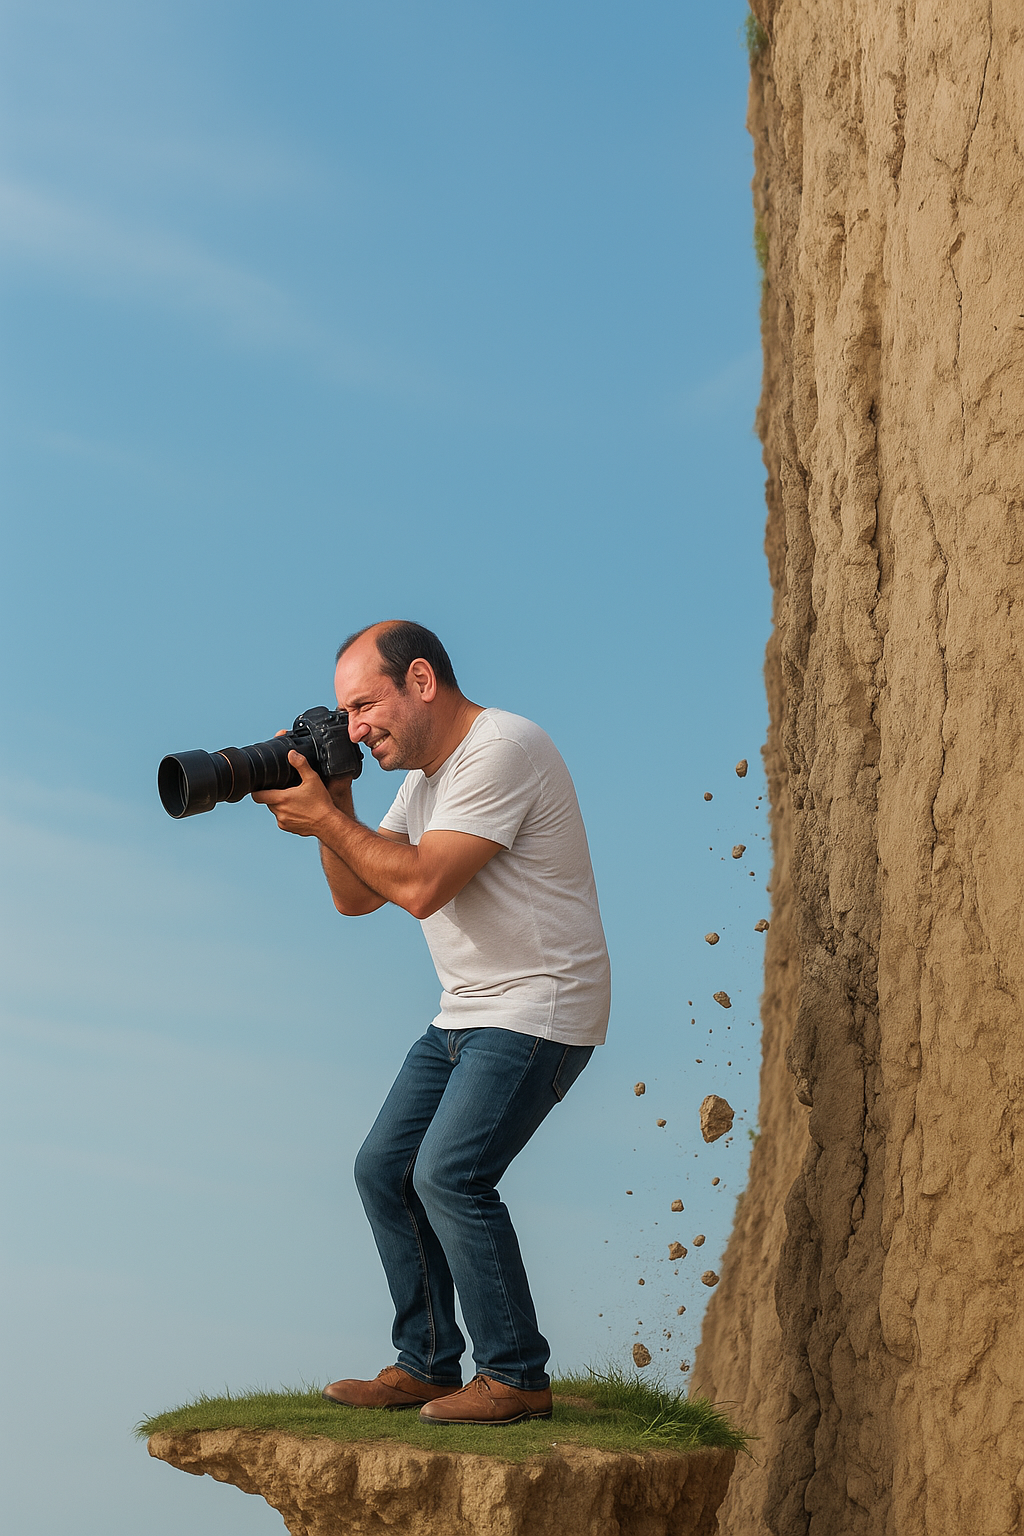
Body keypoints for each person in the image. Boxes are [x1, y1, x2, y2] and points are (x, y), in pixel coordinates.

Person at [253, 620, 610, 1425]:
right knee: (383, 1169)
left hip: (539, 1007)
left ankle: (515, 1373)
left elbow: (418, 887)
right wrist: (335, 801)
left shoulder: (502, 748)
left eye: (363, 706)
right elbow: (356, 895)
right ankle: (426, 1364)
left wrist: (326, 821)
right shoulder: (427, 780)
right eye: (345, 717)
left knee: (449, 1174)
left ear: (421, 680)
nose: (354, 728)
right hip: (468, 1012)